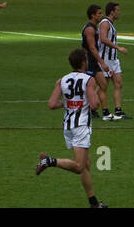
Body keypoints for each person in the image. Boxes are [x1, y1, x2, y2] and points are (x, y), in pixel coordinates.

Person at [35, 49, 109, 207]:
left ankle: (94, 203)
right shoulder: (89, 80)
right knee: (79, 166)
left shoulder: (62, 80)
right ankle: (49, 161)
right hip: (81, 126)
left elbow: (52, 104)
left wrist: (68, 103)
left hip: (67, 126)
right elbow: (95, 105)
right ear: (83, 62)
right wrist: (97, 91)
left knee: (86, 164)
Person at [97, 2, 130, 121]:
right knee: (103, 86)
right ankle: (97, 109)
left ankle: (118, 111)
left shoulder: (110, 24)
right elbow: (103, 39)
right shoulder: (105, 23)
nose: (119, 12)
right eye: (117, 10)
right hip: (106, 59)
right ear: (111, 11)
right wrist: (118, 47)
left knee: (118, 84)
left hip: (113, 59)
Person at [81, 3, 111, 99]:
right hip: (88, 61)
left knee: (103, 85)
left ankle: (98, 109)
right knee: (89, 87)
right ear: (92, 15)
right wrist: (102, 63)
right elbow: (92, 48)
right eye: (99, 13)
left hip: (94, 61)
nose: (101, 15)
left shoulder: (95, 27)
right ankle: (88, 108)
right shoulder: (90, 29)